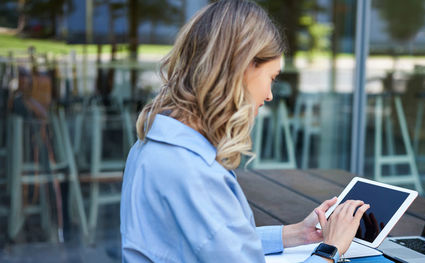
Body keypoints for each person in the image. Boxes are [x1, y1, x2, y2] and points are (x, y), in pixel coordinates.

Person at [119, 1, 368, 262]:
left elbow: (212, 244)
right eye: (271, 77)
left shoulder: (153, 144)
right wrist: (331, 249)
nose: (270, 95)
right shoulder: (196, 174)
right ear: (243, 70)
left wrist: (296, 234)